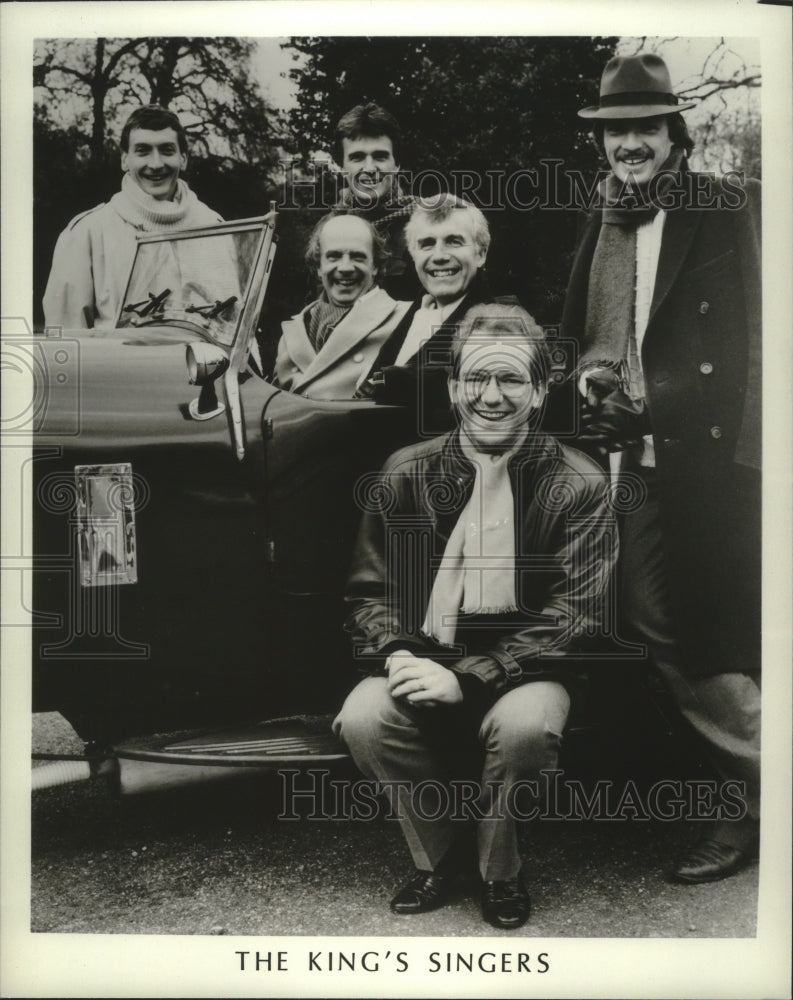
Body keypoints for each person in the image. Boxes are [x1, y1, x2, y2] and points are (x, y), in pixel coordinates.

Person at [334, 305, 617, 929]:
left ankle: (498, 870)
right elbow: (370, 591)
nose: (491, 396)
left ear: (539, 390)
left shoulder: (580, 481)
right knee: (364, 716)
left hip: (530, 666)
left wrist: (471, 676)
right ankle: (438, 857)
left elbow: (577, 614)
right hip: (425, 650)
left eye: (511, 379)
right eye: (476, 378)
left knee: (524, 729)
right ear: (453, 386)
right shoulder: (406, 469)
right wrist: (398, 653)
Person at [561, 53, 761, 883]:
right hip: (629, 462)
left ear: (674, 134)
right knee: (654, 623)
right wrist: (591, 384)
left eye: (644, 127)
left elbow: (754, 340)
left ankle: (748, 800)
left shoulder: (722, 205)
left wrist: (668, 413)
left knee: (711, 635)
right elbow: (588, 335)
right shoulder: (603, 214)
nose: (629, 145)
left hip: (712, 459)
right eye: (615, 132)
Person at [43, 105, 222, 330]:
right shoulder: (87, 232)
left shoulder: (214, 226)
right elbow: (65, 336)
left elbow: (233, 326)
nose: (156, 164)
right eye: (143, 151)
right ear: (125, 160)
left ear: (183, 159)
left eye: (167, 150)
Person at [355, 193, 494, 419]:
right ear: (414, 255)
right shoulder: (414, 311)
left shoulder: (498, 324)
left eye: (454, 241)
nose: (439, 256)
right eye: (427, 244)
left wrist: (383, 381)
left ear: (480, 254)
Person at [273, 213, 411, 399]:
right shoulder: (292, 333)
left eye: (358, 257)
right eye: (334, 257)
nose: (345, 268)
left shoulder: (406, 319)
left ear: (375, 266)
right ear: (319, 266)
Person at [334, 102, 421, 300]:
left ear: (397, 165)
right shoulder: (329, 226)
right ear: (341, 167)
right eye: (357, 157)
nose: (369, 168)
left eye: (380, 157)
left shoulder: (424, 223)